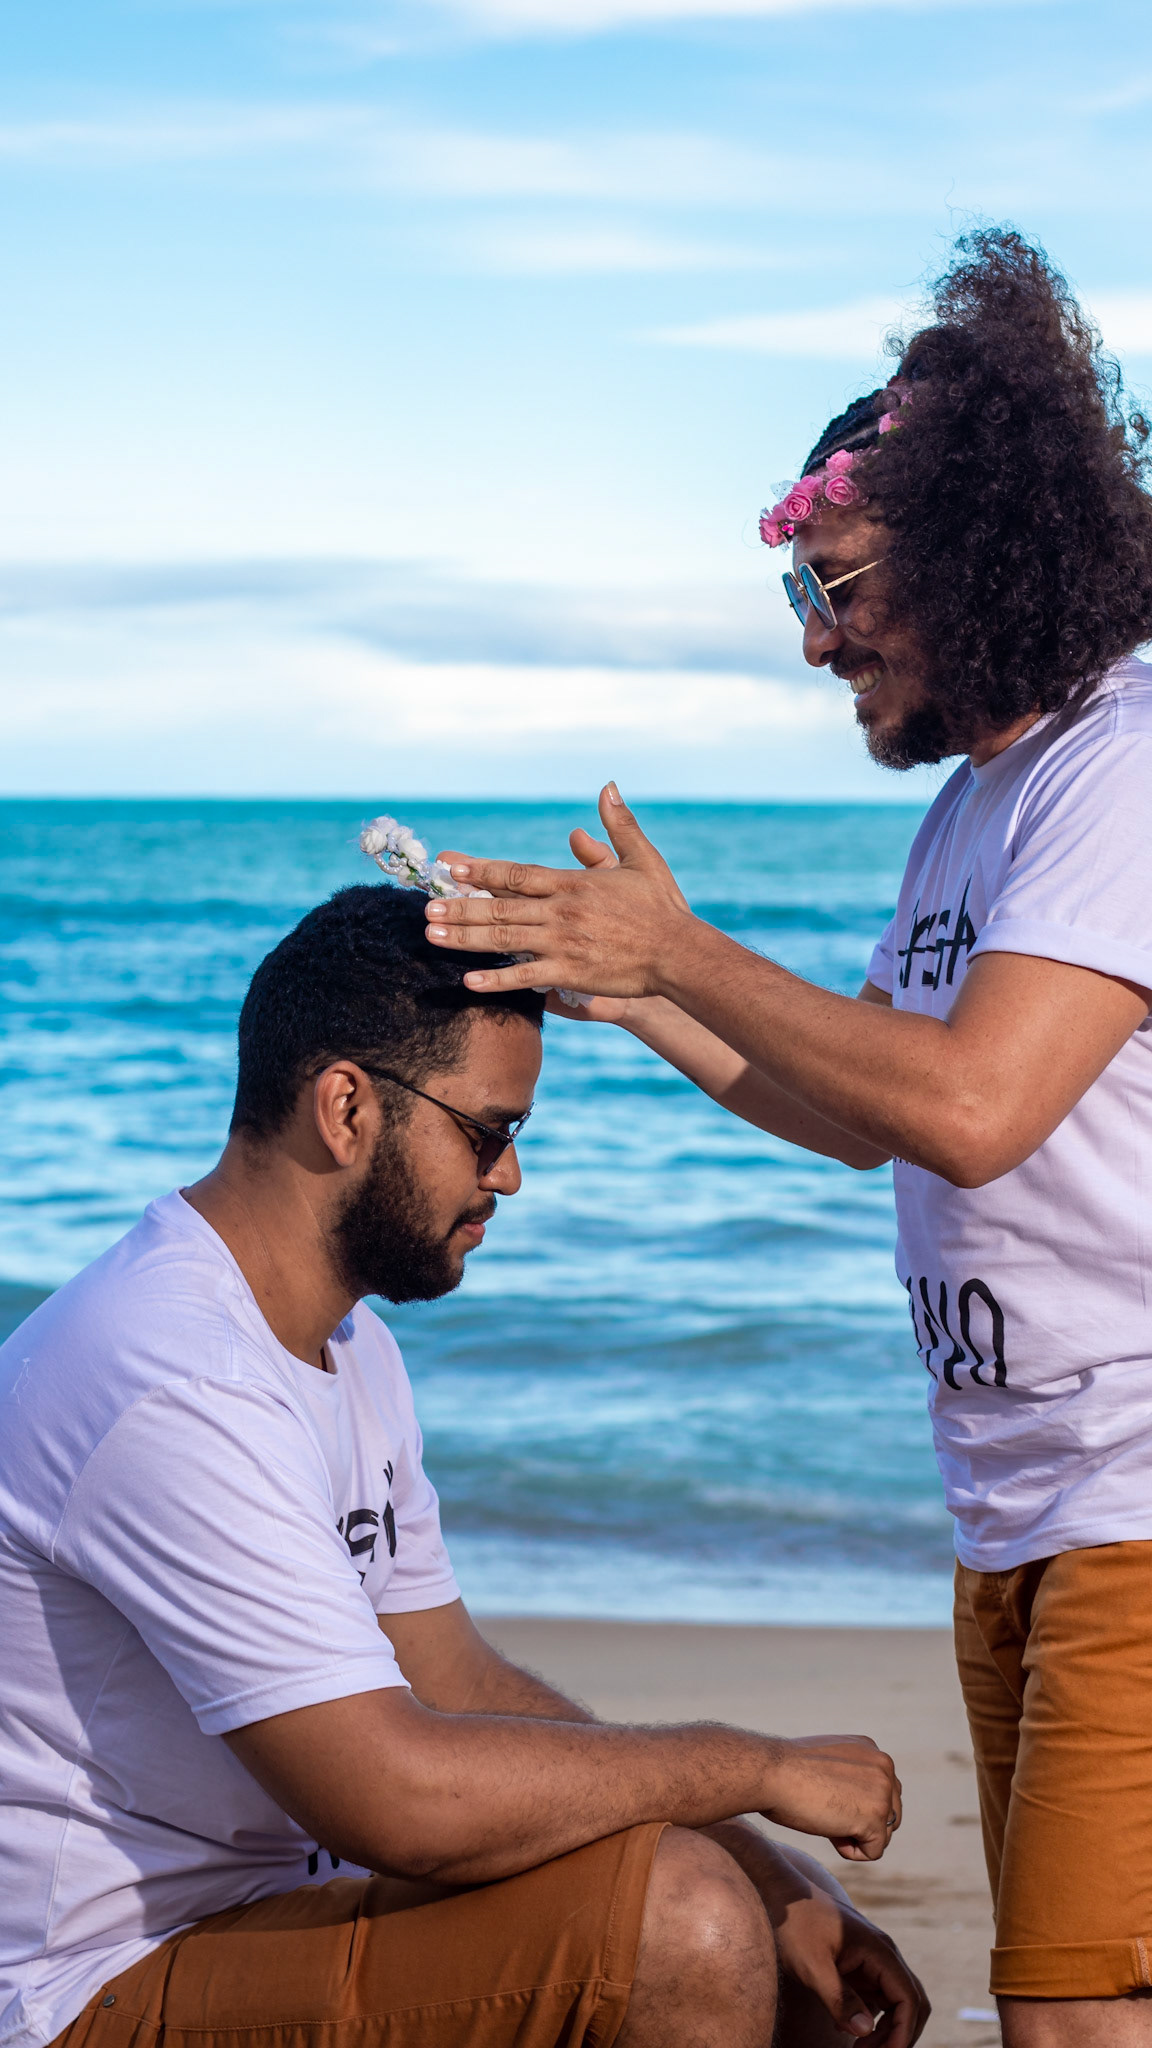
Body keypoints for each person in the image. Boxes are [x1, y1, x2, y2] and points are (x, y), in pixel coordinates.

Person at [420, 228, 1152, 2048]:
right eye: (800, 596)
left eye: (834, 588)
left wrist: (681, 948)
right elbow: (859, 1113)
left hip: (1136, 1505)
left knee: (1075, 2012)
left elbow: (972, 1108)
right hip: (1021, 1516)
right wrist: (624, 984)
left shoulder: (1122, 765)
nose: (817, 639)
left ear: (975, 551)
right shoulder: (977, 807)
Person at [0, 884, 929, 2048]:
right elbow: (399, 1798)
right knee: (683, 1923)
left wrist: (769, 1861)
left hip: (266, 1912)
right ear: (346, 1106)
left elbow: (451, 1677)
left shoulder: (346, 1342)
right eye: (489, 1131)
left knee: (758, 1924)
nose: (509, 1177)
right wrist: (754, 1767)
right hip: (90, 1983)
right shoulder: (172, 1373)